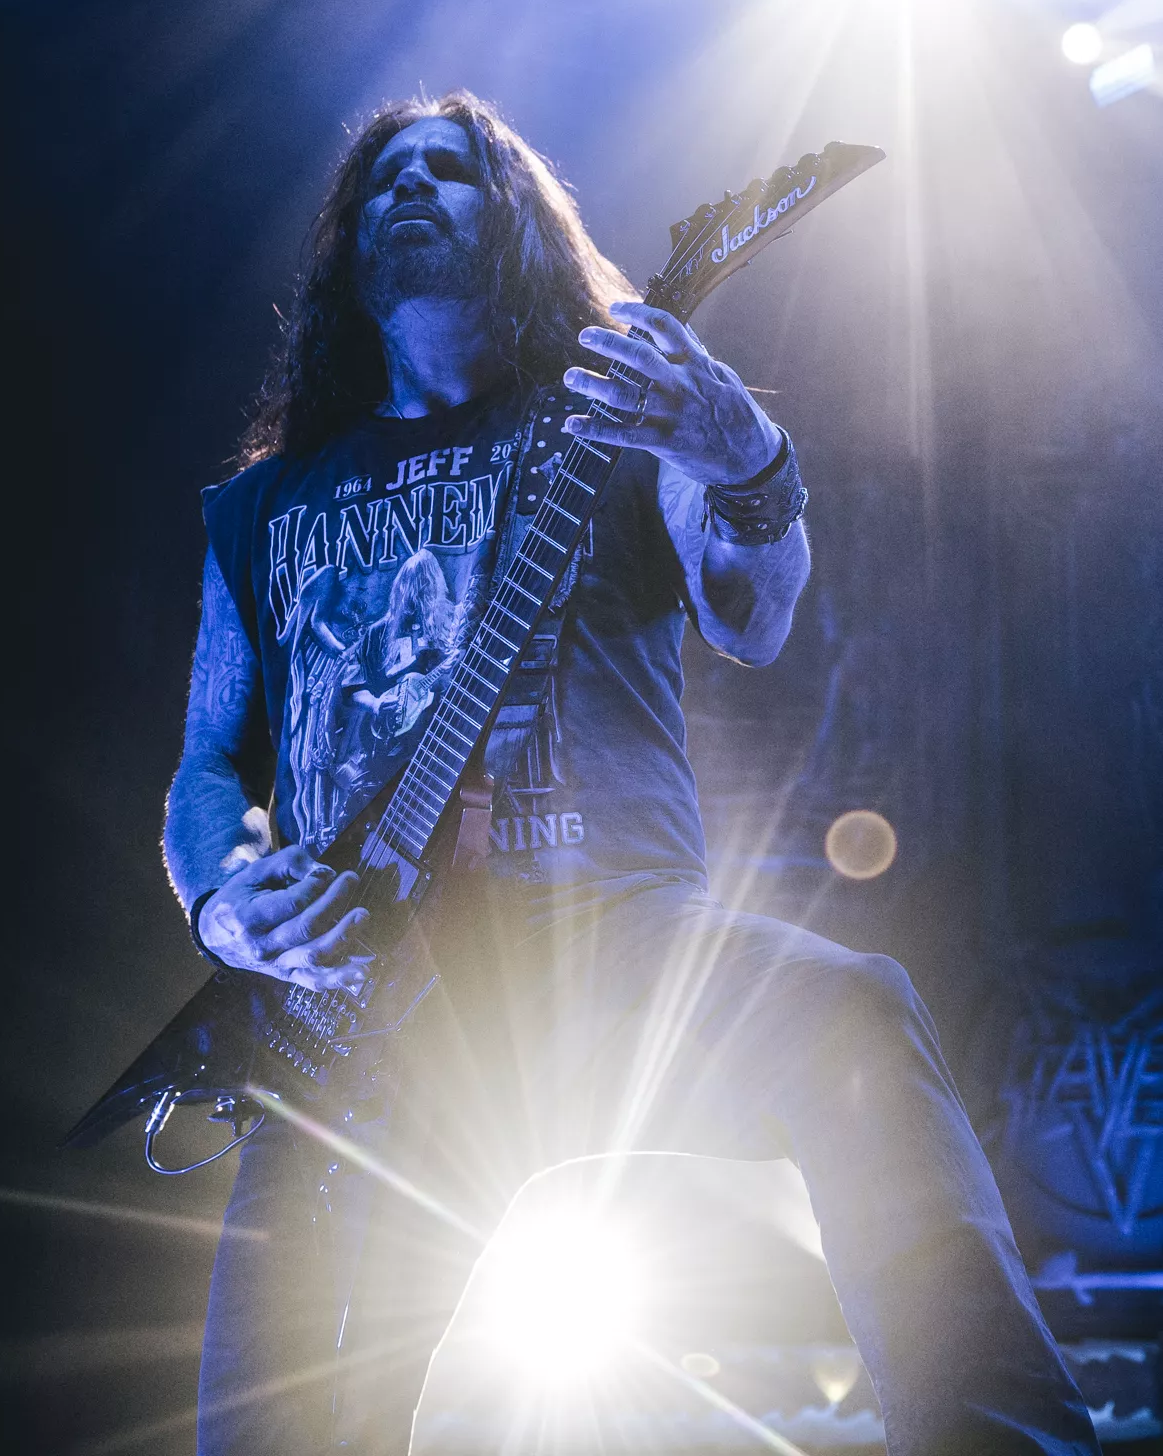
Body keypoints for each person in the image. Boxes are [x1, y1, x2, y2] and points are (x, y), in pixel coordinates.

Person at [162, 92, 1099, 1456]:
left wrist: (745, 460)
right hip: (358, 1015)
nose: (412, 185)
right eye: (384, 176)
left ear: (520, 223)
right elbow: (207, 759)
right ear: (345, 246)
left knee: (847, 1010)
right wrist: (222, 903)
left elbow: (751, 615)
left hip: (613, 940)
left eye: (452, 169)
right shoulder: (265, 504)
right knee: (273, 1427)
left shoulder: (620, 413)